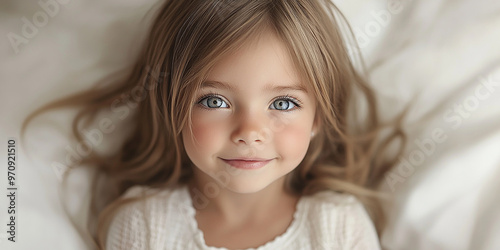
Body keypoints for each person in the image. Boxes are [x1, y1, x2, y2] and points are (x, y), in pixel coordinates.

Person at [22, 0, 405, 249]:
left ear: (318, 116)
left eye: (283, 103)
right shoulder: (144, 226)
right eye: (214, 101)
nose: (250, 131)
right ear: (171, 106)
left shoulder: (339, 229)